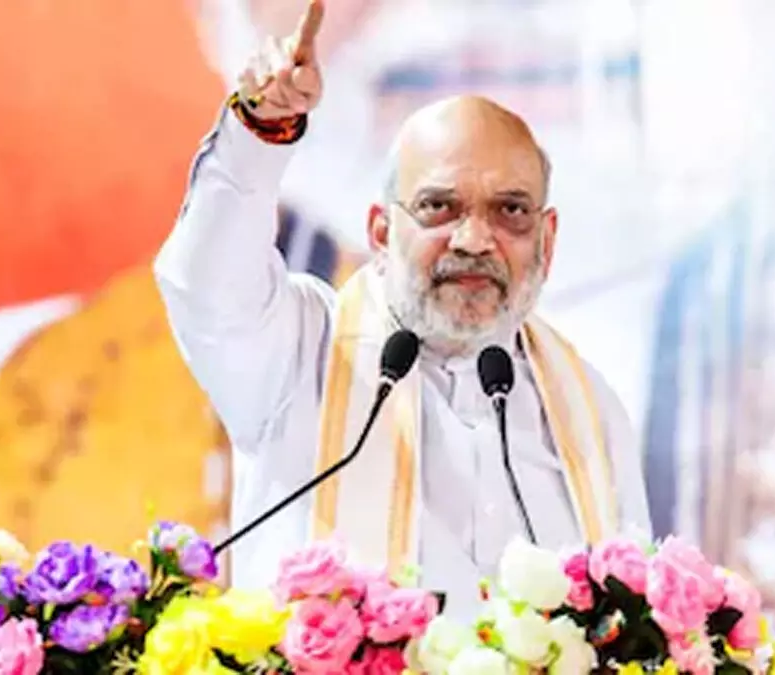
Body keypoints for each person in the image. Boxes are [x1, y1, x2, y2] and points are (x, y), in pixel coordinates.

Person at [154, 0, 651, 611]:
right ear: (382, 233)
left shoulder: (589, 410)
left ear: (546, 243)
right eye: (440, 207)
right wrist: (258, 133)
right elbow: (207, 284)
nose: (474, 239)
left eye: (510, 211)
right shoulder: (301, 354)